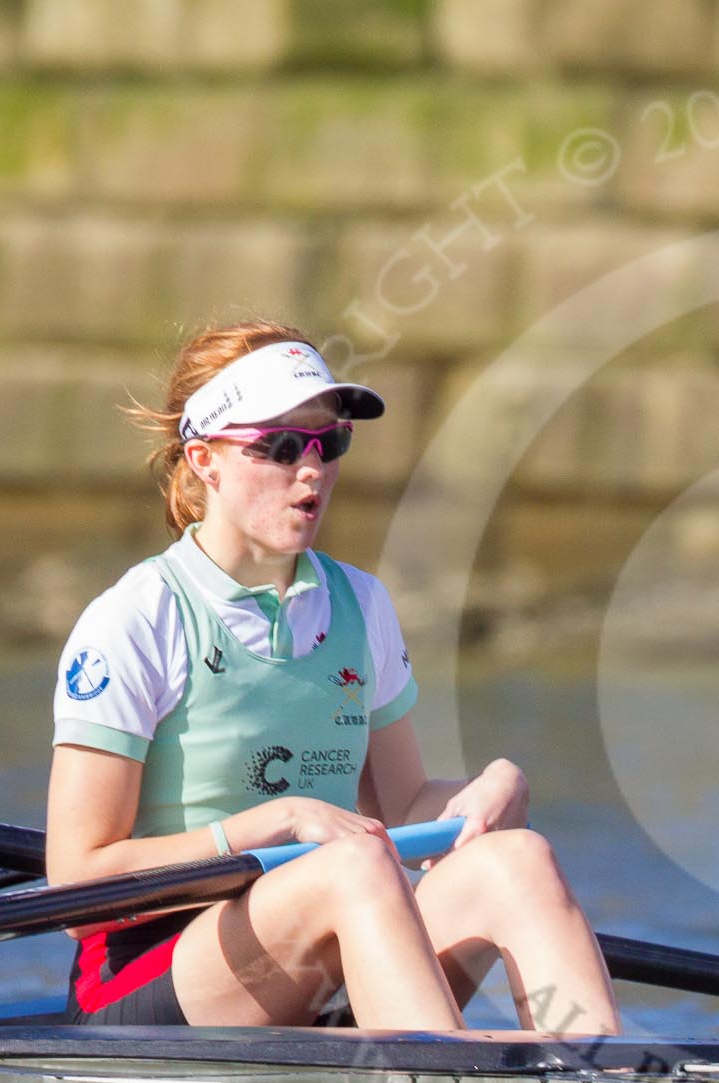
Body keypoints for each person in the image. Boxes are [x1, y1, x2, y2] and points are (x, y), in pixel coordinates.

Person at [46, 319, 619, 1035]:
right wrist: (269, 825)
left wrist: (490, 791)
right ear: (204, 460)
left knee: (518, 861)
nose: (311, 469)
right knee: (354, 868)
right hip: (150, 976)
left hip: (328, 940)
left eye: (329, 443)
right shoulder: (138, 616)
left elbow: (402, 805)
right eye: (281, 447)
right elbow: (74, 889)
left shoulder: (360, 604)